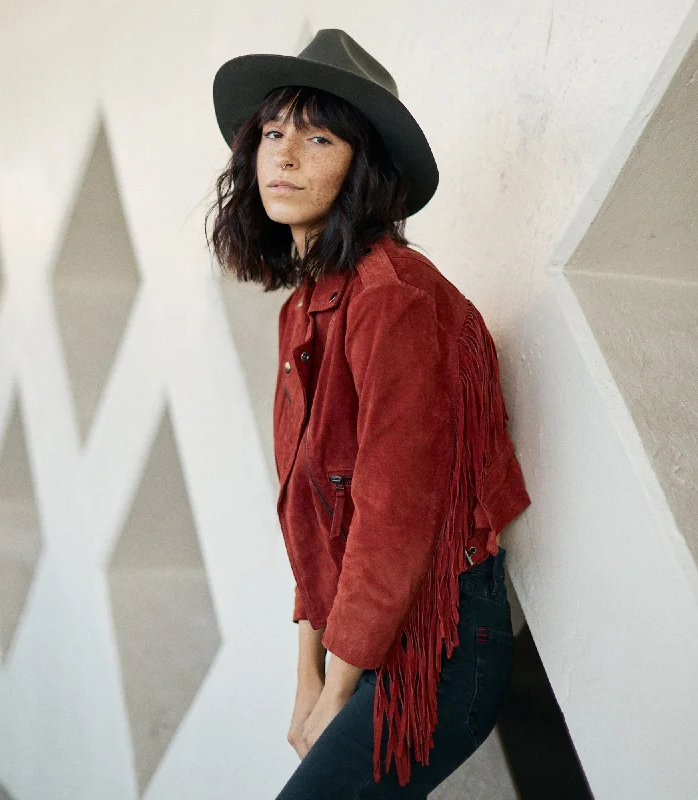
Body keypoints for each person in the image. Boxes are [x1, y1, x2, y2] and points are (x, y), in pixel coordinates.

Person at [207, 29, 531, 799]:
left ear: (362, 169)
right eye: (273, 133)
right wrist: (307, 671)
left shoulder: (395, 299)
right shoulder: (304, 310)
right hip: (364, 634)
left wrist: (338, 687)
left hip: (440, 642)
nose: (284, 157)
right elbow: (315, 513)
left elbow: (393, 515)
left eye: (318, 137)